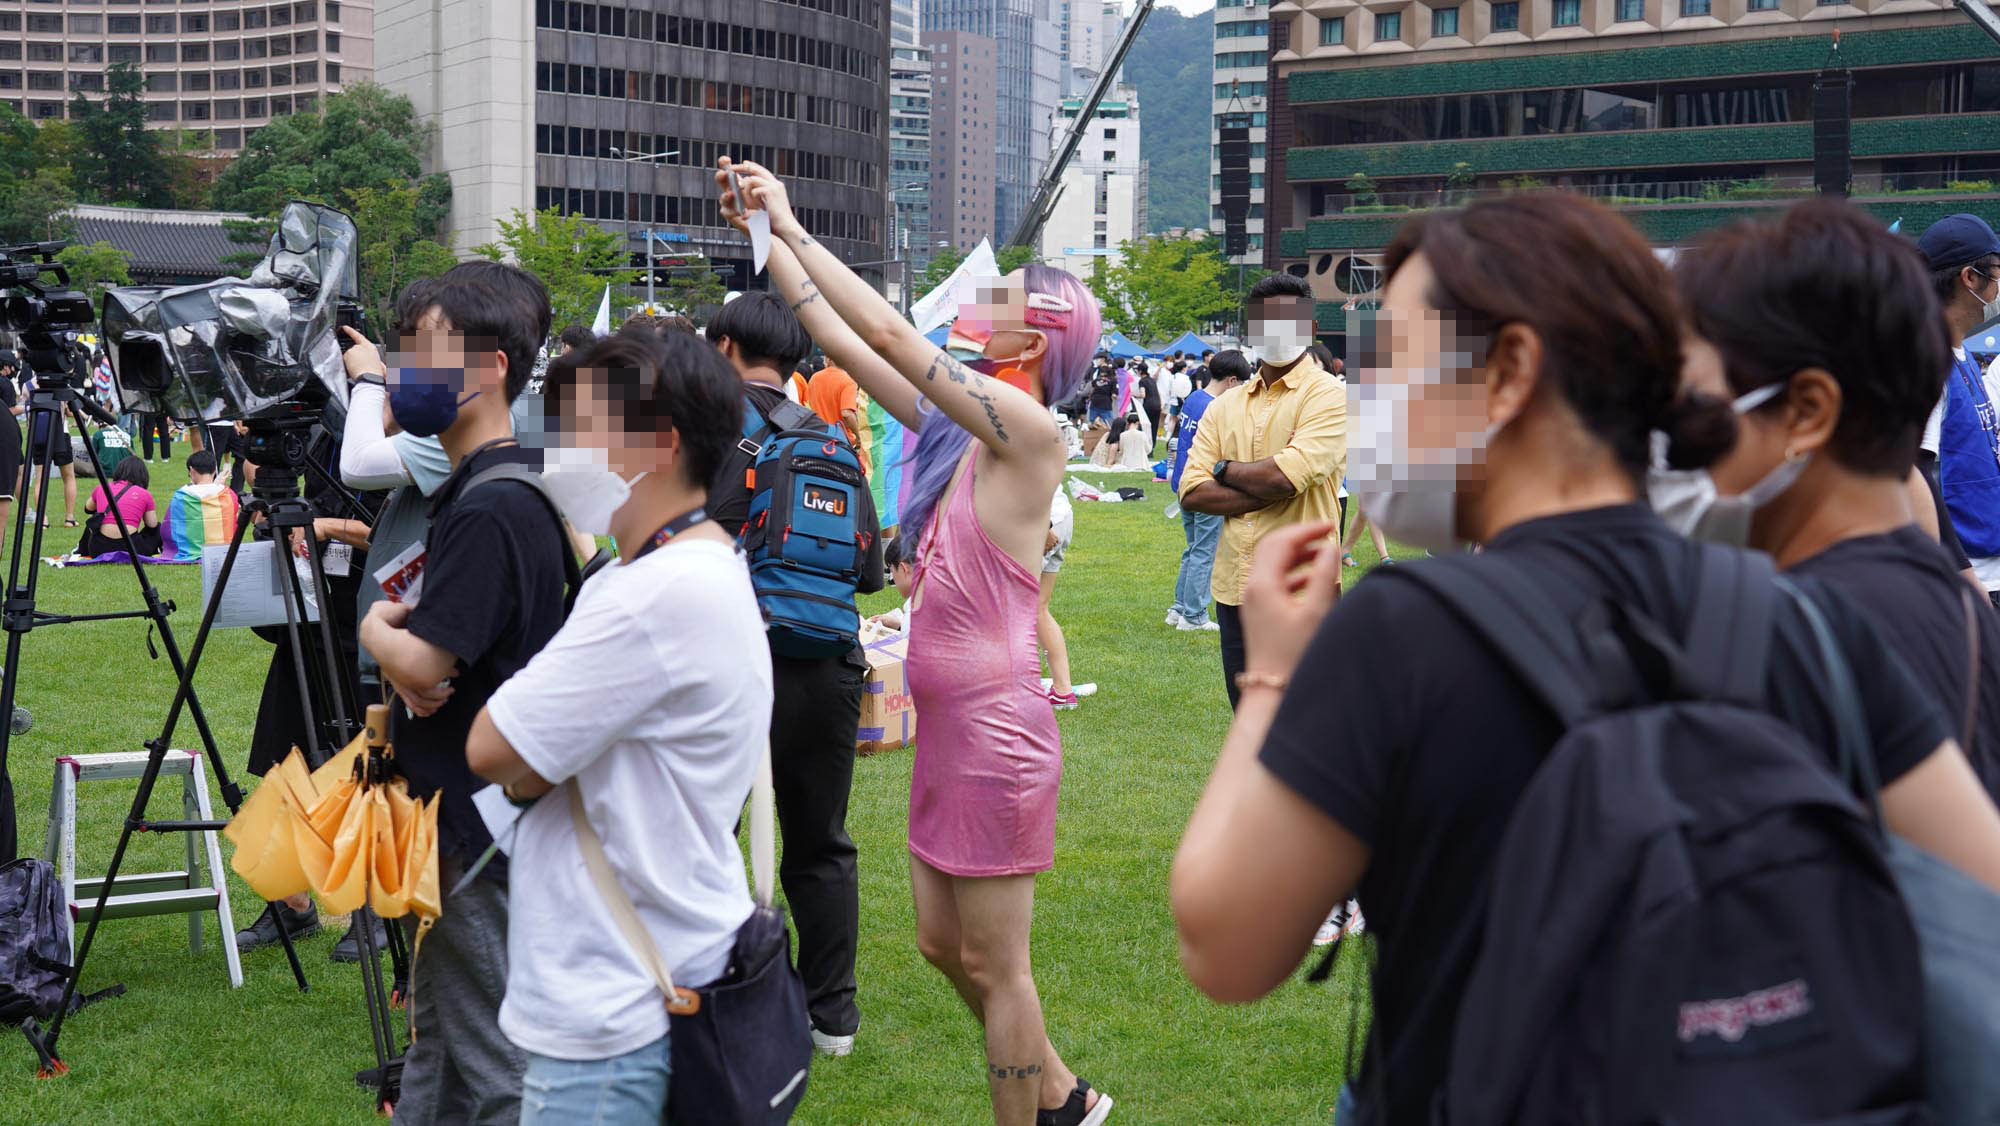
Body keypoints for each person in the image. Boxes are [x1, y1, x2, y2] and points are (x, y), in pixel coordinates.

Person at [1170, 193, 2000, 1125]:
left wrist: (1277, 675)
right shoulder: (1806, 623)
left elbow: (1226, 943)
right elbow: (1981, 886)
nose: (1371, 401)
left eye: (1395, 362)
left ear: (1512, 369)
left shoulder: (1403, 635)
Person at [720, 157, 1113, 1126]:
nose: (982, 301)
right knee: (943, 946)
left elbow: (890, 331)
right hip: (951, 733)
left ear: (1039, 332)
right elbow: (837, 339)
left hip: (997, 737)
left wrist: (793, 213)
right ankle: (1060, 1095)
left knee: (997, 964)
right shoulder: (957, 436)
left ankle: (1032, 1115)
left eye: (1006, 296)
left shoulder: (1025, 430)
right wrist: (766, 237)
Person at [465, 329, 768, 1126]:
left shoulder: (652, 597)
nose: (556, 447)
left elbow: (492, 748)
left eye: (579, 426)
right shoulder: (697, 563)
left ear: (658, 445)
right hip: (663, 967)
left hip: (613, 1013)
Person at [1677, 197, 2000, 801]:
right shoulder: (1917, 607)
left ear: (1810, 411)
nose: (1676, 442)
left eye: (1699, 405)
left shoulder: (1803, 632)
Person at [357, 260, 566, 1124]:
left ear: (490, 371)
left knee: (493, 1059)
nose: (401, 369)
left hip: (477, 823)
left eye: (422, 349)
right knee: (440, 1038)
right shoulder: (491, 485)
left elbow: (425, 665)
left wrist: (374, 628)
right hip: (463, 815)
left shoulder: (490, 506)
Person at [704, 288, 880, 1058]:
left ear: (723, 345)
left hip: (735, 656)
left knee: (705, 833)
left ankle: (713, 995)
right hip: (832, 659)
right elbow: (870, 568)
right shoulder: (829, 437)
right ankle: (832, 1017)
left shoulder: (709, 425)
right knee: (822, 842)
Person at [1177, 274, 1349, 708]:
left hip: (1300, 589)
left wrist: (1225, 469)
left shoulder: (1330, 395)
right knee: (1248, 724)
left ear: (1311, 328)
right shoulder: (1224, 406)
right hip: (1235, 589)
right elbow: (1192, 492)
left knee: (1304, 728)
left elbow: (1285, 477)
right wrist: (1270, 486)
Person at [1919, 213, 2000, 596]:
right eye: (1997, 271)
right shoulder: (1926, 361)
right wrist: (1962, 571)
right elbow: (1914, 474)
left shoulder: (1961, 354)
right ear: (1970, 278)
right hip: (1970, 579)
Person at [1166, 351, 1247, 631]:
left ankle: (1179, 608)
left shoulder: (1194, 398)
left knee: (1192, 549)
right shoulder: (1216, 409)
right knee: (1204, 552)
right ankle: (1194, 615)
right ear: (1232, 381)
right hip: (1205, 486)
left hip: (1184, 482)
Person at [22, 369, 78, 529]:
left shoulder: (27, 386)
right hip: (61, 433)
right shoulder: (60, 384)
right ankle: (69, 518)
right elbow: (68, 410)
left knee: (40, 479)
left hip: (37, 435)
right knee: (68, 477)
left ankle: (43, 520)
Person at [1040, 484, 1078, 710]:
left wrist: (1042, 528)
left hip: (1043, 520)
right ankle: (1063, 691)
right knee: (1038, 609)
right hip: (1061, 515)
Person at [77, 454, 159, 558]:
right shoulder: (144, 494)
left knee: (93, 522)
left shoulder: (102, 488)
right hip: (132, 549)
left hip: (99, 549)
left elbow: (88, 509)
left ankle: (81, 550)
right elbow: (152, 525)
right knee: (157, 528)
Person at [0, 352, 24, 546]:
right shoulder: (6, 384)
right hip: (8, 438)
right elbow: (10, 410)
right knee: (20, 473)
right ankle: (26, 509)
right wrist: (27, 406)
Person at [1085, 354, 1117, 427]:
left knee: (1091, 423)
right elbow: (1114, 395)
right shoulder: (1113, 380)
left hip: (1094, 402)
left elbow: (1092, 388)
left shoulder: (1096, 380)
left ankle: (1093, 433)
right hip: (1106, 404)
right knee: (1108, 424)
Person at [1137, 364, 1162, 447]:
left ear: (1140, 371)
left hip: (1149, 405)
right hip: (1157, 405)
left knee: (1146, 427)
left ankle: (1145, 445)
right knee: (1154, 427)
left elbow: (1142, 394)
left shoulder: (1142, 381)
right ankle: (1152, 446)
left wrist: (1132, 394)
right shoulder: (1152, 380)